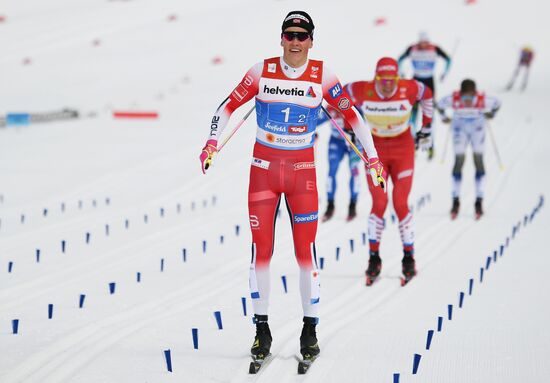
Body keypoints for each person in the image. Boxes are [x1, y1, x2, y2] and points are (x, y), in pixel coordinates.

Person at [199, 11, 386, 364]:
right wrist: (211, 142)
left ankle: (309, 329)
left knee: (305, 254)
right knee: (261, 253)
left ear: (312, 41)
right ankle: (261, 329)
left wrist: (373, 158)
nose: (296, 41)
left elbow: (354, 117)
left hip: (302, 175)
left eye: (302, 36)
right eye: (290, 35)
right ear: (281, 38)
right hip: (263, 173)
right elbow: (227, 107)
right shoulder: (261, 71)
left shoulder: (323, 75)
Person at [345, 57, 433, 285]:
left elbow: (428, 94)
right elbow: (342, 94)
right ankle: (374, 258)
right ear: (376, 78)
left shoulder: (409, 87)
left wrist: (427, 128)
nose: (386, 85)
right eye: (381, 80)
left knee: (400, 202)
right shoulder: (363, 89)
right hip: (376, 152)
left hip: (403, 150)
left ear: (397, 77)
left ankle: (408, 257)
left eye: (390, 80)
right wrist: (349, 127)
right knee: (379, 203)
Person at [437, 79, 501, 220]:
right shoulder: (453, 98)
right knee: (459, 161)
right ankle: (455, 201)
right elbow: (439, 104)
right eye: (464, 97)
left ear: (475, 93)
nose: (467, 100)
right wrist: (443, 117)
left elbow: (497, 103)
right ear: (460, 93)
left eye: (470, 97)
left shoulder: (482, 99)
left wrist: (491, 114)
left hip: (477, 130)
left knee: (478, 161)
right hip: (460, 130)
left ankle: (479, 201)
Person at [398, 32, 451, 159]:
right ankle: (413, 144)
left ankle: (430, 145)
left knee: (429, 117)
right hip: (415, 82)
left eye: (426, 43)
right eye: (422, 43)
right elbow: (399, 59)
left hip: (429, 83)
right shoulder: (412, 48)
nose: (424, 45)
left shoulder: (435, 48)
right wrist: (401, 72)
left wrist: (445, 73)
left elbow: (448, 59)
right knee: (412, 117)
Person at [317, 105, 363, 222]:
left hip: (354, 142)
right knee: (331, 171)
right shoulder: (330, 109)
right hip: (336, 141)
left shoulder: (355, 107)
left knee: (354, 171)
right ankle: (330, 205)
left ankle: (353, 205)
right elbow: (316, 121)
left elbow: (367, 122)